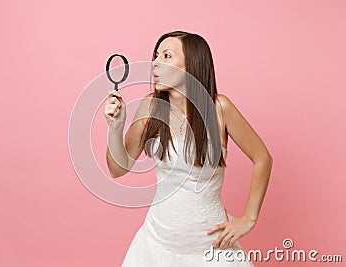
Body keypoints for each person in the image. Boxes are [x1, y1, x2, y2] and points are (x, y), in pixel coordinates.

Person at [104, 31, 273, 266]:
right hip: (155, 246)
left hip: (210, 250)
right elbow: (117, 168)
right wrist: (116, 127)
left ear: (191, 65)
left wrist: (249, 219)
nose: (155, 62)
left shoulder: (219, 108)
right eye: (156, 55)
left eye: (166, 55)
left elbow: (262, 158)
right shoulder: (151, 107)